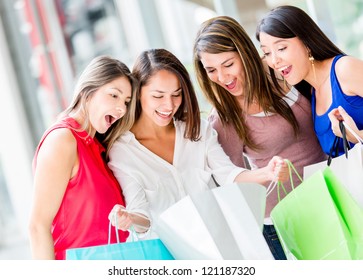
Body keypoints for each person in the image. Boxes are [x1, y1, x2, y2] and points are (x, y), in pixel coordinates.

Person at [108, 48, 289, 248]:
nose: (169, 105)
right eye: (158, 96)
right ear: (137, 93)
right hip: (174, 254)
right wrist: (130, 219)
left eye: (176, 94)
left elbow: (227, 174)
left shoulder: (197, 129)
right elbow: (142, 216)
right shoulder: (123, 151)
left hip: (223, 245)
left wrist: (267, 173)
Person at [193, 15, 327, 260]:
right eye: (211, 70)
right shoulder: (225, 118)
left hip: (331, 192)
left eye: (228, 64)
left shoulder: (281, 69)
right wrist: (268, 173)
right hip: (287, 221)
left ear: (245, 53)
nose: (222, 78)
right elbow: (230, 180)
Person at [29, 55, 139, 260]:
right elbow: (38, 227)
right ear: (87, 92)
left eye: (126, 101)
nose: (122, 109)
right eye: (114, 95)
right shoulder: (63, 140)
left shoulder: (97, 148)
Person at [256, 5, 363, 156]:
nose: (274, 61)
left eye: (281, 48)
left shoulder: (344, 69)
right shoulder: (311, 92)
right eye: (266, 52)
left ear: (306, 43)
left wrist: (357, 136)